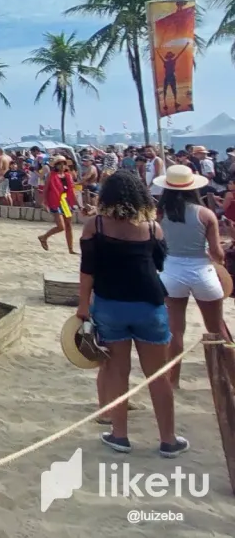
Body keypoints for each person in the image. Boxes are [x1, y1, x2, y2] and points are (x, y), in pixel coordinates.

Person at [75, 170, 186, 457]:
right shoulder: (152, 229)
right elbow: (158, 265)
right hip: (148, 303)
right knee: (157, 375)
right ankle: (168, 439)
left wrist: (83, 306)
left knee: (117, 371)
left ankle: (120, 435)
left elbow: (87, 271)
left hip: (110, 304)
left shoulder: (94, 226)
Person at [153, 164, 228, 389]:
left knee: (175, 330)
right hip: (201, 269)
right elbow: (216, 253)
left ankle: (173, 380)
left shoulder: (161, 213)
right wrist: (220, 253)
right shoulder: (205, 214)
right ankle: (228, 377)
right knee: (217, 330)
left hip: (171, 270)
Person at [39, 157, 78, 254]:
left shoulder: (68, 175)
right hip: (55, 201)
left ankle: (70, 249)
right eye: (59, 164)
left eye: (63, 164)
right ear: (56, 165)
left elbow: (72, 191)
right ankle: (44, 237)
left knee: (68, 225)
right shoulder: (51, 176)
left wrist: (78, 204)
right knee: (61, 226)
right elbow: (46, 189)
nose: (61, 166)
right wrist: (44, 202)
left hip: (66, 201)